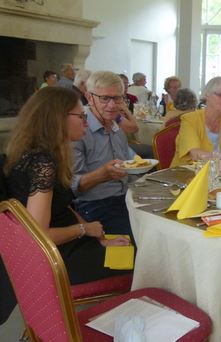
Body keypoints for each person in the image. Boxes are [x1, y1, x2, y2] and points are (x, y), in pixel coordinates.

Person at [4, 86, 130, 285]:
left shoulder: (36, 154)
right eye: (81, 117)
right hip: (58, 258)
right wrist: (84, 230)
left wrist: (97, 237)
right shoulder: (42, 163)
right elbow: (39, 235)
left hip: (66, 244)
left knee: (130, 247)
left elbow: (63, 208)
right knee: (137, 257)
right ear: (58, 119)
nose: (87, 124)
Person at [72, 71, 133, 236]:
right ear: (89, 97)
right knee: (136, 241)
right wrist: (103, 174)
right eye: (105, 98)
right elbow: (71, 187)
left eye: (117, 98)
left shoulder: (116, 127)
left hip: (124, 197)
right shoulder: (77, 130)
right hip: (93, 205)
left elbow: (128, 167)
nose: (112, 106)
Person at [170, 77, 221, 166]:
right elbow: (195, 154)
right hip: (186, 176)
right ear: (207, 95)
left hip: (217, 176)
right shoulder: (190, 120)